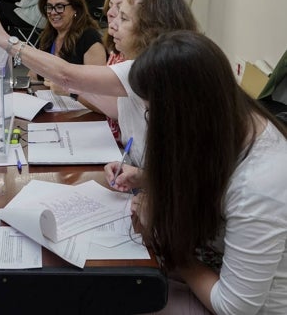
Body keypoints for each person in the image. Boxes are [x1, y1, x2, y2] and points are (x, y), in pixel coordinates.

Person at [115, 31, 287, 314]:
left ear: (188, 113)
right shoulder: (230, 123)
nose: (152, 122)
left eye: (152, 112)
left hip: (239, 303)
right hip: (210, 271)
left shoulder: (260, 184)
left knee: (117, 299)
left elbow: (233, 307)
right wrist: (149, 178)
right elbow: (213, 176)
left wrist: (167, 245)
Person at [0, 0, 199, 168]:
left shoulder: (146, 69)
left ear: (150, 28)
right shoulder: (144, 67)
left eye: (124, 18)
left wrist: (8, 42)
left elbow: (66, 75)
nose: (112, 25)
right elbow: (114, 108)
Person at [35, 0, 106, 70]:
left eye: (60, 7)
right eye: (49, 7)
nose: (53, 12)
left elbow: (97, 81)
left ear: (75, 8)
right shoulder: (48, 37)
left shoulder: (89, 38)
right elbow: (33, 75)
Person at [101, 0, 134, 143]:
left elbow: (119, 110)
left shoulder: (139, 61)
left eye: (120, 9)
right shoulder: (115, 49)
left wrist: (71, 86)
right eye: (111, 5)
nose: (110, 12)